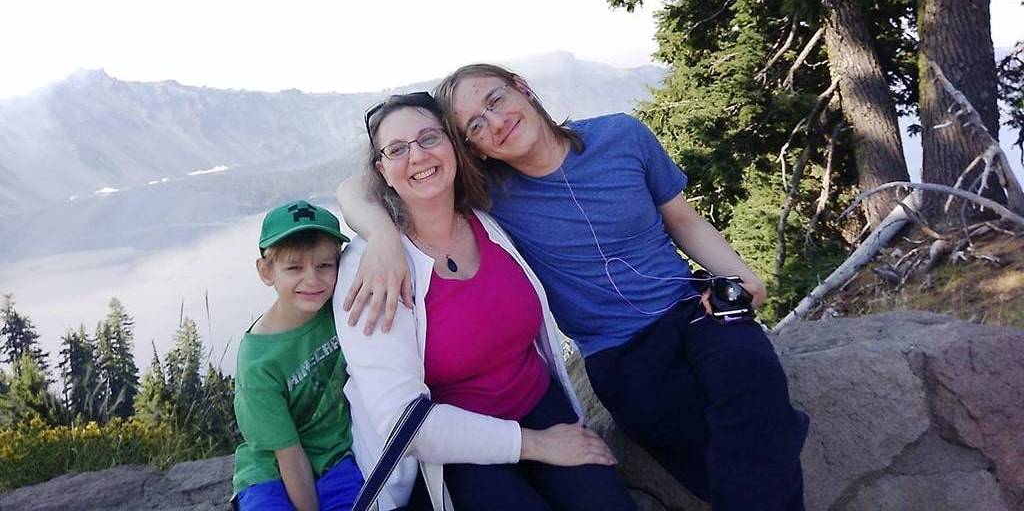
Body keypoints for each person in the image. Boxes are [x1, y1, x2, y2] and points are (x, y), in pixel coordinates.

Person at [337, 64, 810, 510]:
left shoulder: (610, 142)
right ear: (473, 149)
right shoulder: (490, 196)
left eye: (496, 100)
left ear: (522, 86)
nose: (495, 122)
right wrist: (381, 236)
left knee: (752, 380)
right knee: (692, 430)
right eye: (476, 126)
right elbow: (360, 186)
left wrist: (740, 275)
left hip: (689, 305)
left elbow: (682, 219)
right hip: (614, 352)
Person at [335, 92, 636, 511]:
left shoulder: (491, 216)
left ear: (454, 146)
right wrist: (537, 445)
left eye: (429, 138)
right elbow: (403, 422)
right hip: (452, 448)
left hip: (536, 401)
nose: (418, 156)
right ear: (381, 170)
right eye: (398, 149)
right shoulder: (371, 269)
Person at [232, 200, 363, 511]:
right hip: (271, 472)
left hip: (334, 458)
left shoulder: (338, 309)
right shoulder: (258, 362)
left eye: (324, 266)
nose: (312, 280)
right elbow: (288, 455)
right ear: (266, 271)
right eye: (294, 267)